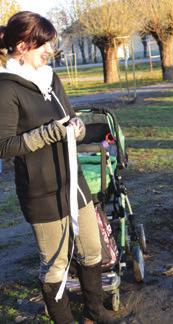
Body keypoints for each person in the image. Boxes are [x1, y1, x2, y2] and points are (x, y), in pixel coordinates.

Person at [0, 11, 117, 324]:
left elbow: (69, 118)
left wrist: (77, 128)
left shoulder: (51, 78)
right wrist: (47, 133)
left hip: (75, 184)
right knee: (56, 265)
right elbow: (4, 146)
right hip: (41, 192)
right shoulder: (6, 89)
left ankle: (95, 311)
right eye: (43, 45)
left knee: (93, 251)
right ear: (22, 46)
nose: (49, 50)